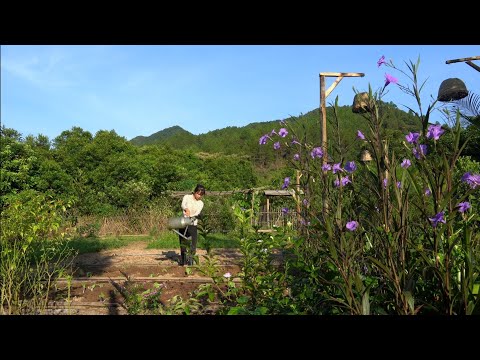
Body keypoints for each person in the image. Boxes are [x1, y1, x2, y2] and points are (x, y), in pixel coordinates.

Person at [178, 184, 205, 266]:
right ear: (195, 192)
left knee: (193, 243)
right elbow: (183, 205)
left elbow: (197, 213)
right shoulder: (187, 197)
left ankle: (191, 261)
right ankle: (183, 261)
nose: (199, 196)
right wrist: (186, 209)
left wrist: (192, 216)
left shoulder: (201, 203)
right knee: (183, 243)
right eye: (198, 194)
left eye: (201, 195)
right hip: (183, 222)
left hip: (193, 223)